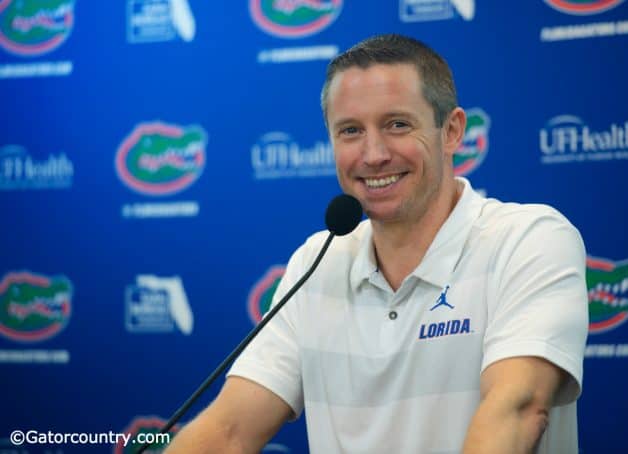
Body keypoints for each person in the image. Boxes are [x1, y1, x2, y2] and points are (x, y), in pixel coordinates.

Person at [166, 34, 588, 454]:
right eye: (350, 130)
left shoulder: (528, 240)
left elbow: (516, 410)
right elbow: (228, 433)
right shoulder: (317, 261)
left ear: (452, 131)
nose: (373, 155)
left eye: (397, 124)